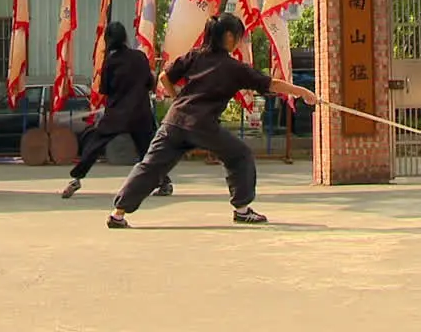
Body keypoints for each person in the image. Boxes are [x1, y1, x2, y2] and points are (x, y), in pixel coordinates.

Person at [106, 13, 318, 229]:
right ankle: (242, 210)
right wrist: (301, 91)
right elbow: (270, 83)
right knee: (239, 155)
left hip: (174, 121)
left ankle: (117, 213)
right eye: (238, 36)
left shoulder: (194, 56)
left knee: (150, 166)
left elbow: (164, 77)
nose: (238, 41)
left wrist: (176, 98)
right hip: (202, 125)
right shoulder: (233, 67)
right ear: (228, 36)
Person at [61, 22, 172, 199]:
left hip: (118, 113)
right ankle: (164, 182)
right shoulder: (140, 57)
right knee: (147, 149)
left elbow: (105, 89)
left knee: (96, 144)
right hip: (140, 112)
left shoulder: (110, 62)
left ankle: (76, 178)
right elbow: (150, 83)